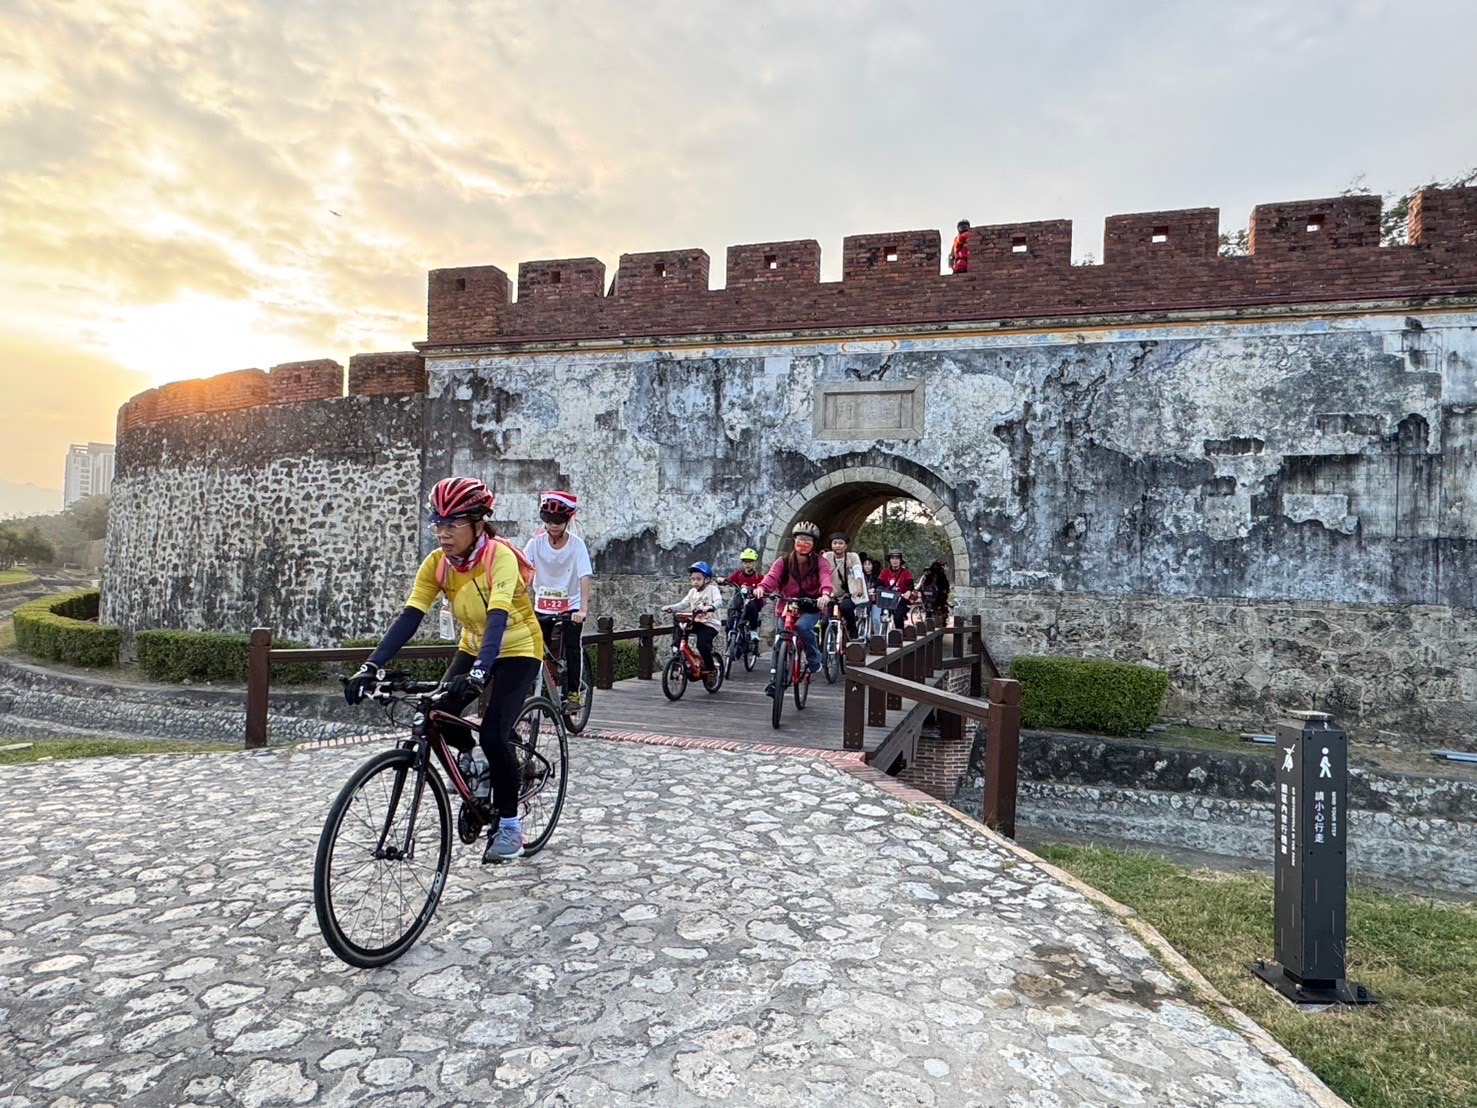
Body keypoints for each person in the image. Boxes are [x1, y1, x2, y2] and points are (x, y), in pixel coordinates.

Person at [345, 477, 542, 864]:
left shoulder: (498, 557)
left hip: (519, 647)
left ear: (478, 524)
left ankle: (510, 826)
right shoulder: (437, 564)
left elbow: (499, 615)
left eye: (452, 524)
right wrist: (370, 666)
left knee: (493, 733)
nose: (443, 533)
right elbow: (410, 616)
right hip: (473, 644)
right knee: (439, 711)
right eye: (438, 523)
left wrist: (483, 671)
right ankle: (473, 762)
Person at [523, 491, 593, 708]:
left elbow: (584, 576)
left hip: (570, 606)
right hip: (542, 605)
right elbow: (523, 572)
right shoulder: (535, 543)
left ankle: (573, 692)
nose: (553, 525)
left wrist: (582, 609)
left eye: (559, 521)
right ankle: (532, 688)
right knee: (530, 648)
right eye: (549, 521)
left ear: (567, 520)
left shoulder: (576, 545)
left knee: (573, 646)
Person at [753, 520, 830, 695]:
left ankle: (814, 658)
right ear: (793, 541)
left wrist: (825, 594)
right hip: (787, 605)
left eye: (808, 540)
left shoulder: (819, 562)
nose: (803, 543)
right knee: (781, 640)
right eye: (800, 539)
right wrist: (762, 588)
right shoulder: (784, 561)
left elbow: (825, 578)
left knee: (802, 627)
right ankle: (775, 678)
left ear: (813, 544)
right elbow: (772, 577)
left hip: (810, 606)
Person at [662, 562, 724, 676]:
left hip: (710, 624)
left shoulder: (712, 589)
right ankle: (677, 649)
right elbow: (682, 604)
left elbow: (719, 601)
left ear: (707, 579)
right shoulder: (692, 592)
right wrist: (671, 608)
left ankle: (711, 669)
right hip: (697, 622)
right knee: (679, 624)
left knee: (702, 644)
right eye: (693, 579)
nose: (695, 582)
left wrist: (710, 607)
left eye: (698, 579)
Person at [820, 532, 867, 641]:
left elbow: (857, 573)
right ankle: (822, 650)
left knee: (846, 608)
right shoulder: (827, 556)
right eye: (835, 543)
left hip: (847, 594)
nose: (837, 546)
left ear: (846, 546)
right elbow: (822, 573)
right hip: (830, 594)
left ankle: (853, 634)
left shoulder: (852, 557)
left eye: (841, 543)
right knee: (824, 621)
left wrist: (859, 588)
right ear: (831, 545)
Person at [723, 548, 765, 638]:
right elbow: (729, 580)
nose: (747, 565)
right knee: (731, 610)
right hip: (739, 602)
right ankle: (730, 635)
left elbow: (764, 587)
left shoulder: (759, 577)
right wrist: (723, 581)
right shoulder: (738, 574)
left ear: (754, 563)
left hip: (752, 602)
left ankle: (753, 630)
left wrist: (758, 590)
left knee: (752, 606)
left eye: (750, 562)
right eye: (745, 562)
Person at [878, 549, 915, 627]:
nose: (895, 561)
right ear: (889, 560)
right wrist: (873, 589)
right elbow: (879, 583)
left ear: (901, 560)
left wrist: (908, 591)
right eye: (892, 558)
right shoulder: (885, 572)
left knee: (898, 618)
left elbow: (910, 584)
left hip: (901, 600)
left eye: (897, 558)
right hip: (887, 600)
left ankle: (899, 634)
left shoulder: (906, 572)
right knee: (882, 615)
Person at [858, 552, 885, 639]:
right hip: (862, 600)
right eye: (865, 564)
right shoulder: (859, 576)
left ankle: (878, 637)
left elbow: (881, 586)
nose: (867, 566)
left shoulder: (878, 577)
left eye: (869, 564)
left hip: (875, 601)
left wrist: (875, 591)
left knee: (876, 618)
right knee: (858, 617)